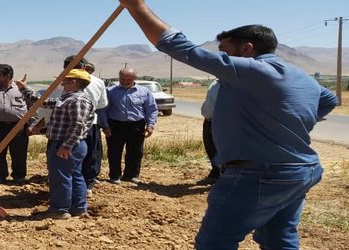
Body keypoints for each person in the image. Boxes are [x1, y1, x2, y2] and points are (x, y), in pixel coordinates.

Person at [118, 0, 339, 248]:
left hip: (258, 174)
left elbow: (179, 47)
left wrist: (136, 6)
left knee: (215, 242)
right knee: (278, 238)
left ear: (247, 49)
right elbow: (329, 99)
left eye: (224, 50)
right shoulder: (300, 75)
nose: (221, 57)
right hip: (301, 171)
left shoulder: (251, 70)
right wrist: (289, 122)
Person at [18, 69, 95, 220]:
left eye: (66, 79)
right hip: (67, 143)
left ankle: (60, 210)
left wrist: (67, 145)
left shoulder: (78, 100)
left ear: (73, 82)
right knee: (74, 175)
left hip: (66, 144)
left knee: (60, 177)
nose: (62, 81)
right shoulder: (67, 98)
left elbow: (78, 125)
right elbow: (43, 102)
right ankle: (78, 208)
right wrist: (23, 89)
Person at [99, 68, 158, 184]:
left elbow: (151, 109)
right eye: (122, 79)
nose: (125, 81)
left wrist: (150, 125)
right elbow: (103, 110)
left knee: (136, 152)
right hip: (115, 125)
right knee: (114, 151)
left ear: (135, 78)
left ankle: (131, 175)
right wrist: (105, 126)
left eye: (128, 79)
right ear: (119, 77)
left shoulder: (144, 92)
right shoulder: (110, 91)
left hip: (137, 125)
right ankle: (114, 176)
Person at [63, 56, 108, 194]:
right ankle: (87, 184)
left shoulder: (61, 81)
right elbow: (102, 104)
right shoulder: (97, 82)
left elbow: (51, 104)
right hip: (90, 123)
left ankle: (69, 185)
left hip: (65, 125)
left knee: (65, 154)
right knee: (90, 153)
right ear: (84, 67)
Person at [198, 80, 220, 185]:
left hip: (221, 122)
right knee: (210, 147)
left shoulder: (231, 83)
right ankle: (215, 173)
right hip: (207, 120)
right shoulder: (214, 83)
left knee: (221, 149)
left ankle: (224, 176)